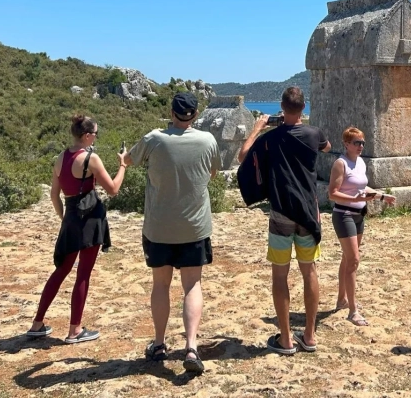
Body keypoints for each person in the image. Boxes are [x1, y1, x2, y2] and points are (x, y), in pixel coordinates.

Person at [123, 92, 220, 373]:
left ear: (172, 111)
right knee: (192, 285)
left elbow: (129, 160)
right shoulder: (207, 140)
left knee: (161, 285)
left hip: (159, 227)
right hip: (195, 226)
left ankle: (159, 342)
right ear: (196, 114)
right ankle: (191, 348)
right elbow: (212, 173)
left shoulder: (155, 138)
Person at [237, 86, 331, 355]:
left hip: (280, 213)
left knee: (280, 275)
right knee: (309, 270)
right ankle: (310, 336)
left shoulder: (271, 139)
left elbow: (243, 157)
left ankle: (286, 339)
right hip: (308, 214)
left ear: (282, 107)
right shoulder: (314, 135)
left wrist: (259, 128)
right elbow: (327, 147)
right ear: (304, 107)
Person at [27, 114, 126, 343]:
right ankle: (75, 330)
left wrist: (65, 218)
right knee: (83, 273)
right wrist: (123, 165)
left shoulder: (60, 157)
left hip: (71, 217)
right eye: (95, 134)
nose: (96, 138)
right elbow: (112, 189)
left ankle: (37, 323)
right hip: (90, 219)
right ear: (87, 135)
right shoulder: (91, 158)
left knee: (61, 270)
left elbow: (54, 194)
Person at [327, 126, 396, 326]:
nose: (360, 146)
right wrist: (353, 198)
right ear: (346, 144)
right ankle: (353, 311)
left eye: (363, 142)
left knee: (347, 259)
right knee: (354, 260)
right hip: (344, 214)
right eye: (356, 142)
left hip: (359, 214)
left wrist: (382, 195)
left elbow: (361, 187)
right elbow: (332, 193)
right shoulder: (341, 164)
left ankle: (341, 299)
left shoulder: (360, 163)